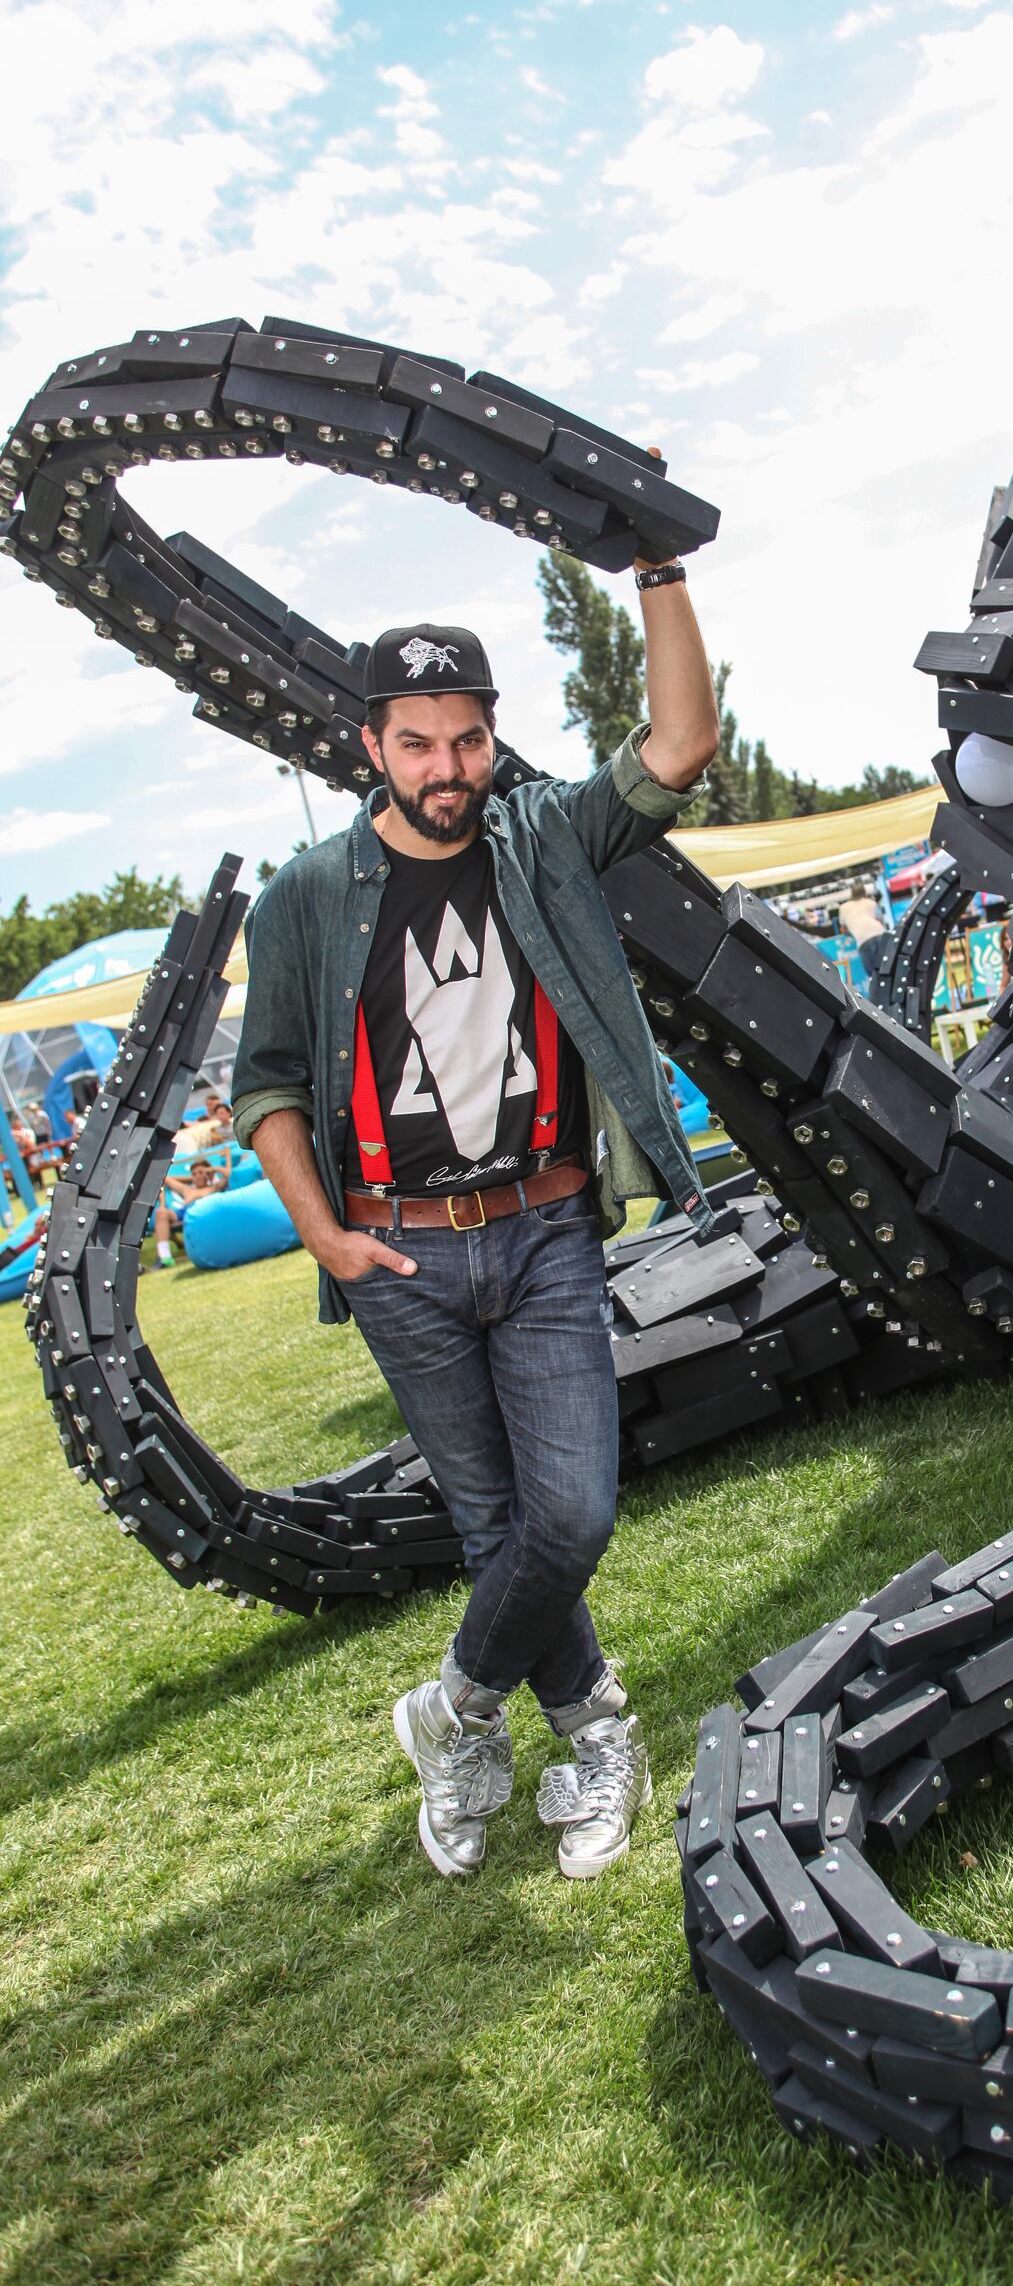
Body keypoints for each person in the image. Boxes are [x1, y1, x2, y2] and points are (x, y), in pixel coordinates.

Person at [232, 536, 719, 1886]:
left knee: (568, 1516)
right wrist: (328, 1237)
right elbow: (267, 1082)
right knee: (496, 1525)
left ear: (495, 736)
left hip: (549, 1226)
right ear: (372, 745)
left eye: (468, 741)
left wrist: (659, 568)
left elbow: (679, 741)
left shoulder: (547, 832)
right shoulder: (308, 899)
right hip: (399, 1252)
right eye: (419, 744)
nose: (448, 770)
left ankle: (455, 1711)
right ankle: (598, 1741)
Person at [153, 1149, 233, 1268]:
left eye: (201, 1172)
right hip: (184, 1214)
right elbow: (165, 1178)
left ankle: (179, 1245)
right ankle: (165, 1258)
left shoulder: (214, 1188)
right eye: (194, 1174)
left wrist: (212, 1170)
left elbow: (228, 1175)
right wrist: (191, 1179)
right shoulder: (188, 1190)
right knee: (161, 1213)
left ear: (208, 1173)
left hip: (203, 1213)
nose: (197, 1176)